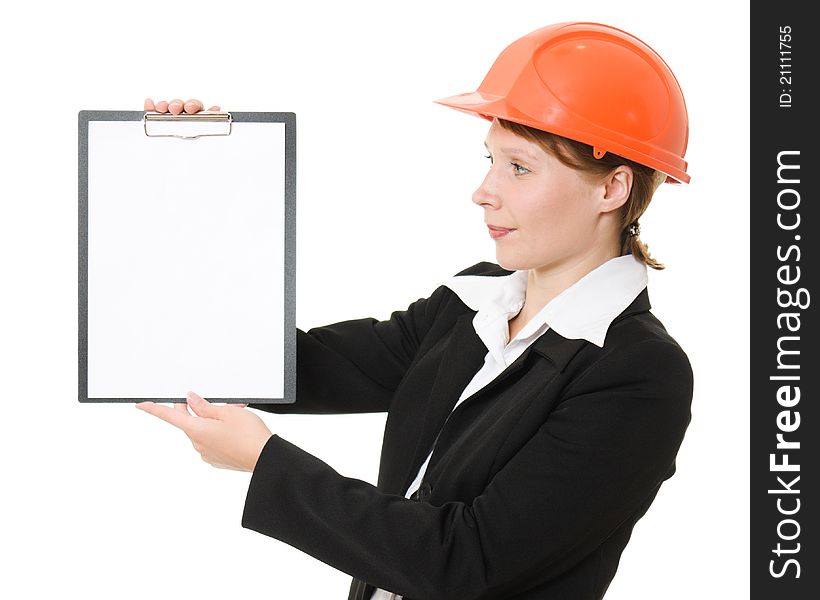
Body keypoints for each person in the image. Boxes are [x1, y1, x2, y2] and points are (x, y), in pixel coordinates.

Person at [136, 21, 694, 600]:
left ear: (612, 189)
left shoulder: (638, 373)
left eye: (520, 167)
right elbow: (299, 365)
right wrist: (193, 185)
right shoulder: (473, 304)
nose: (484, 190)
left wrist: (266, 463)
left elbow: (466, 563)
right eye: (491, 160)